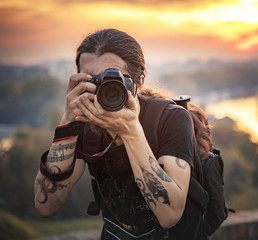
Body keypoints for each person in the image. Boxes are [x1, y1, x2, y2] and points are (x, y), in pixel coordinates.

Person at [34, 28, 209, 240]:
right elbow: (46, 206)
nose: (101, 92)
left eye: (113, 79)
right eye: (92, 81)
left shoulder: (170, 118)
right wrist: (67, 122)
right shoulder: (84, 125)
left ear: (139, 83)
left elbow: (169, 215)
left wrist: (130, 132)